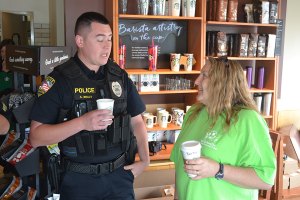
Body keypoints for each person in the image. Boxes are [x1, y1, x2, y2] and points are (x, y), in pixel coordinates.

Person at [29, 12, 150, 200]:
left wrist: (145, 160)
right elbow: (36, 137)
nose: (107, 45)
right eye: (100, 39)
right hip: (79, 181)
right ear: (80, 41)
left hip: (120, 176)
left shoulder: (119, 76)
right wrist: (83, 123)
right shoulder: (59, 81)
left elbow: (137, 120)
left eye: (109, 39)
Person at [170, 57, 276, 200]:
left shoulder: (248, 120)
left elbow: (265, 179)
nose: (196, 81)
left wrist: (217, 170)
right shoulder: (194, 112)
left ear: (223, 83)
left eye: (205, 76)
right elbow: (180, 165)